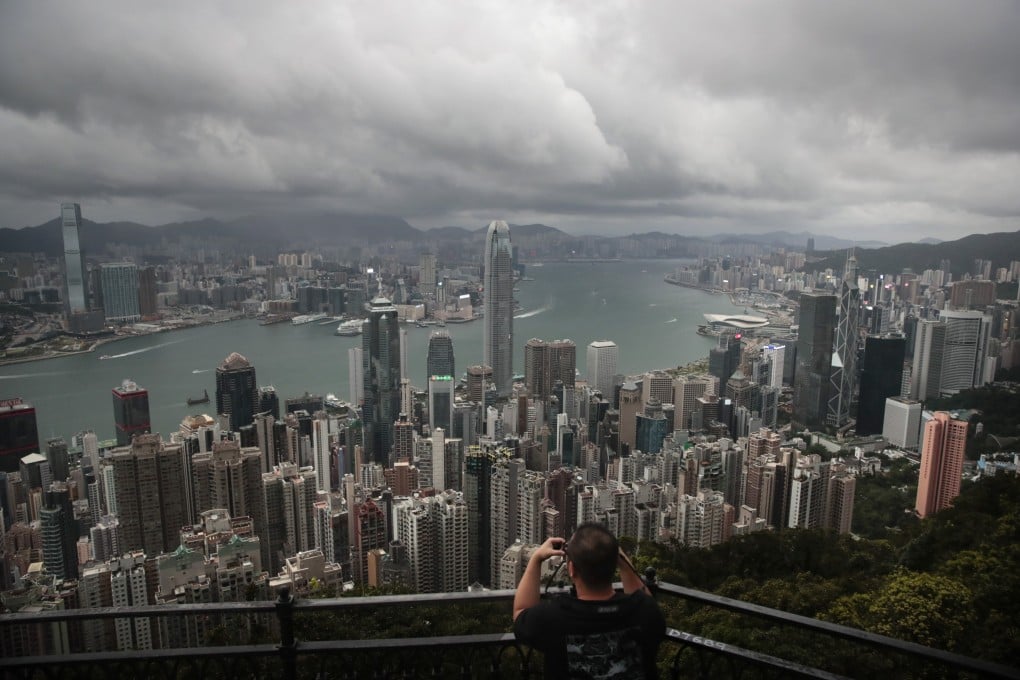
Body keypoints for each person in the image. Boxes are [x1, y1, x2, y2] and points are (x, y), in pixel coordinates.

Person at [512, 523, 666, 679]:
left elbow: (520, 613)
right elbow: (645, 599)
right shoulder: (644, 611)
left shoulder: (554, 618)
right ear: (615, 565)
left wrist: (536, 558)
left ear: (571, 569)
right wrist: (620, 560)